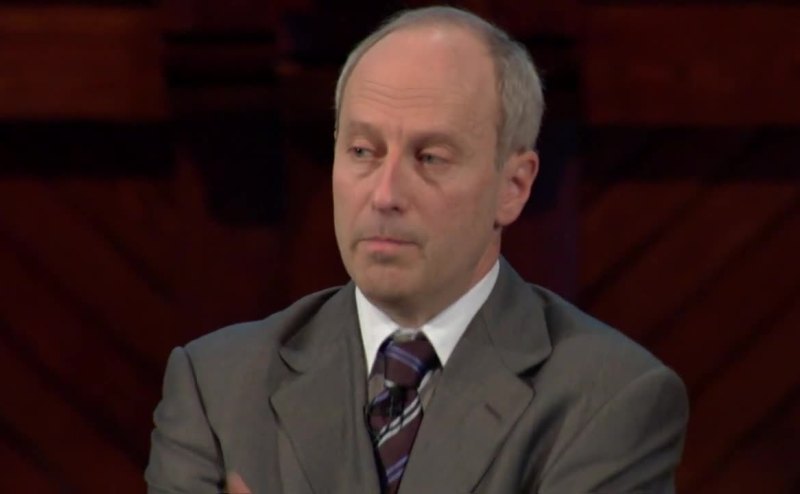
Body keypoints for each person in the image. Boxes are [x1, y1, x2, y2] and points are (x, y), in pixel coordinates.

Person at [145, 6, 689, 494]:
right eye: (363, 151)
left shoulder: (612, 400)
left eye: (430, 158)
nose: (385, 195)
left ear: (513, 186)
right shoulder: (214, 387)